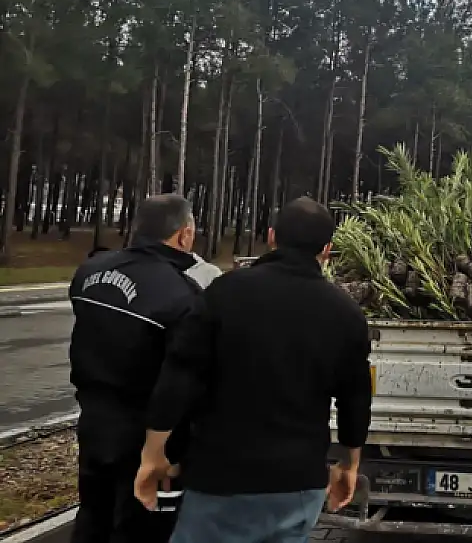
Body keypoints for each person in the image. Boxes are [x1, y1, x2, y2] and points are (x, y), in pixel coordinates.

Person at [134, 196, 372, 543]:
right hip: (299, 482)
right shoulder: (346, 313)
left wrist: (154, 452)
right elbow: (355, 398)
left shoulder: (225, 292)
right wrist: (350, 464)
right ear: (327, 249)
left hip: (223, 478)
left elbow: (181, 373)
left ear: (272, 236)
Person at [68, 194, 205, 543]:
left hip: (94, 420)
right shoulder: (183, 296)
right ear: (184, 235)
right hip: (146, 435)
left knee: (93, 514)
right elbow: (179, 379)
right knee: (143, 529)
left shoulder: (88, 273)